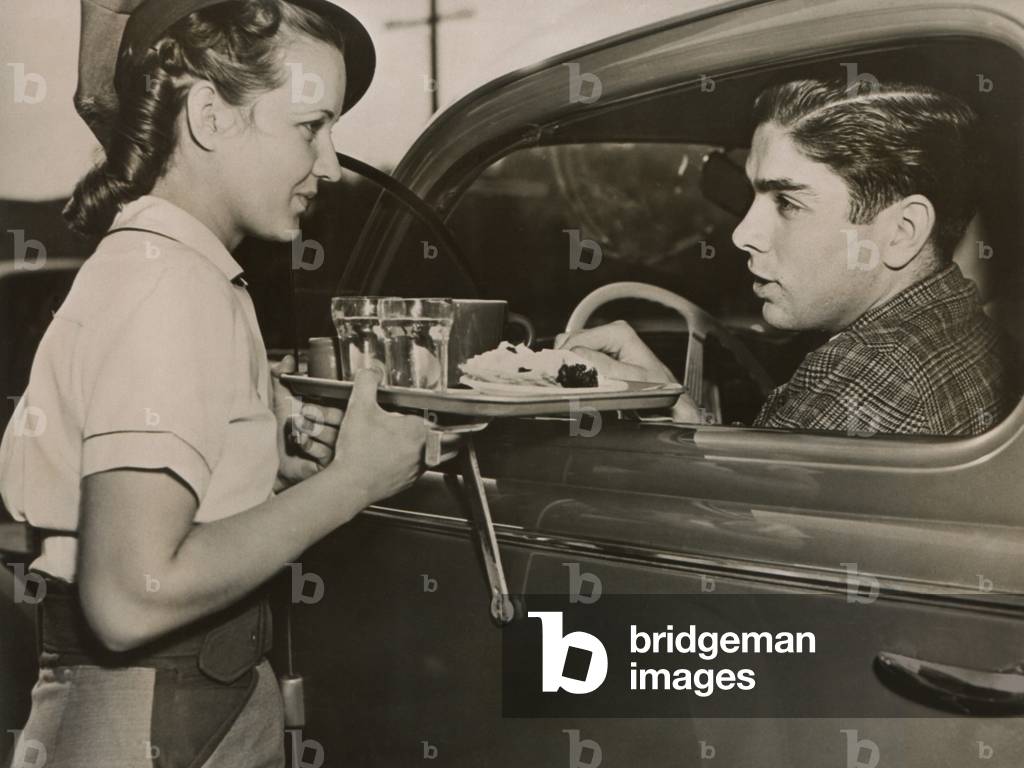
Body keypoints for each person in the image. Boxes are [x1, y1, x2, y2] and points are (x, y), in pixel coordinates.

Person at [0, 1, 455, 765]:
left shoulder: (187, 271)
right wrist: (352, 483)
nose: (333, 162)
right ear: (210, 116)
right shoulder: (166, 288)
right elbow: (131, 595)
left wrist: (261, 456)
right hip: (151, 718)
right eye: (311, 126)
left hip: (194, 704)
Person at [557, 78, 1017, 436]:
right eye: (753, 194)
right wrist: (673, 403)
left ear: (902, 231)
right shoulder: (958, 322)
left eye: (788, 203)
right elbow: (760, 503)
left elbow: (734, 535)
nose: (742, 234)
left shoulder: (864, 381)